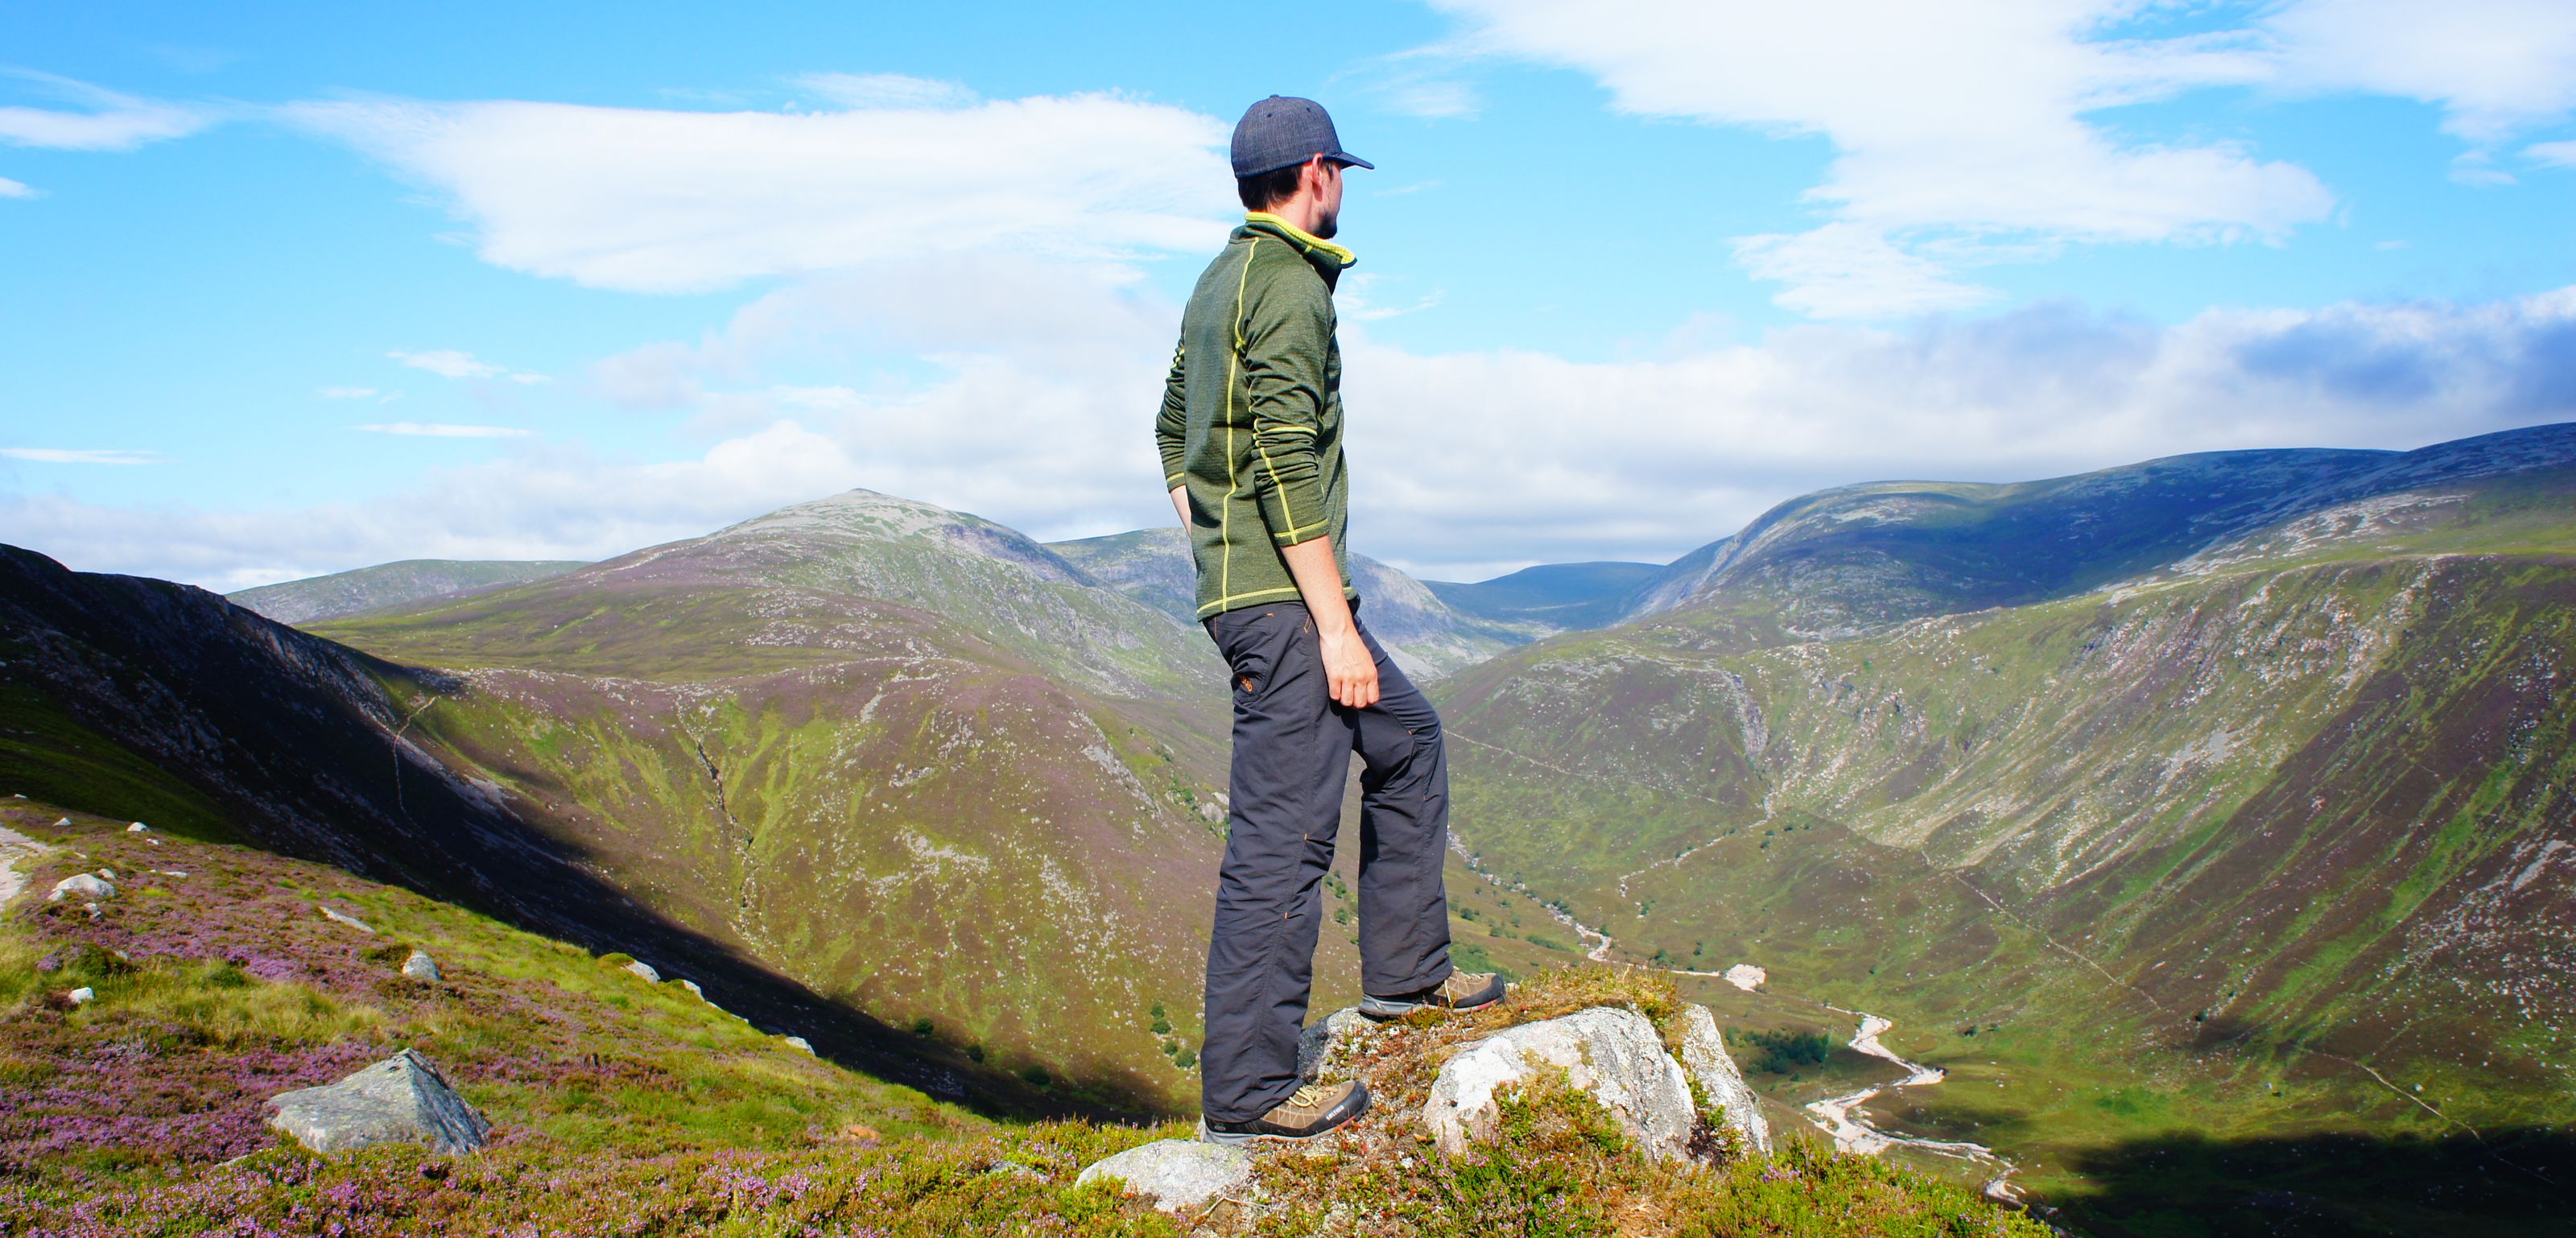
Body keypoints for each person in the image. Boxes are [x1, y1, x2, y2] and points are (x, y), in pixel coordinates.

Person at [1154, 96, 1505, 1146]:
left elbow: (1173, 430)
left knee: (1408, 736)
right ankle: (1249, 1093)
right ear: (1317, 172)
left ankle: (1406, 974)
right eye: (1340, 169)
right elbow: (1281, 457)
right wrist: (1332, 624)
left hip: (1259, 591)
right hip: (1287, 608)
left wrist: (1215, 545)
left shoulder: (1220, 278)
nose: (1342, 184)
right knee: (1284, 841)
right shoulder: (1289, 284)